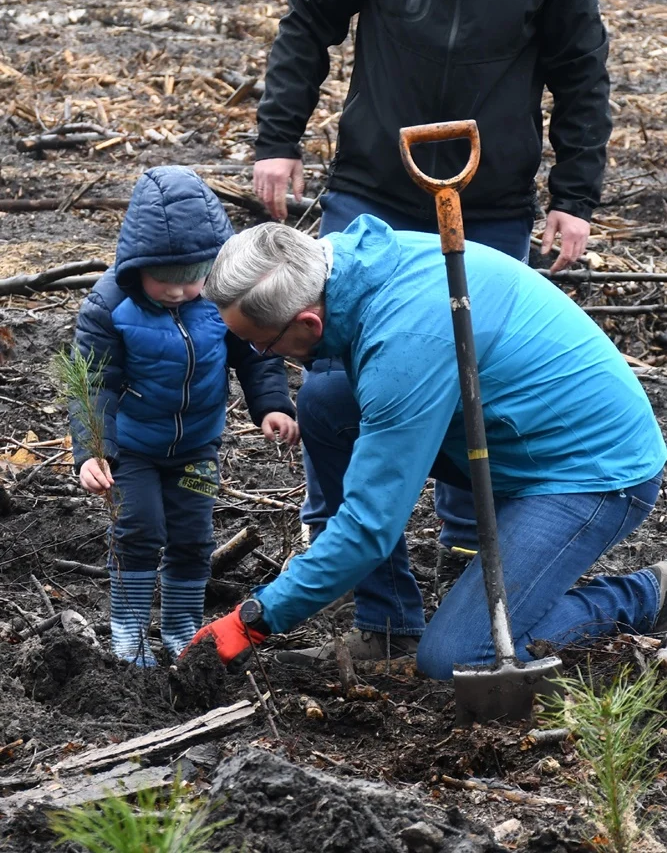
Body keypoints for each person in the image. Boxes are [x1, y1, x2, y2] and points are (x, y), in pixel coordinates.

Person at [251, 0, 612, 584]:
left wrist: (573, 196)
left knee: (472, 379)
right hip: (373, 190)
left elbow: (579, 67)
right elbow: (308, 18)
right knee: (330, 385)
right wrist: (277, 140)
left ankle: (465, 543)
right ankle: (344, 547)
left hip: (489, 201)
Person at [186, 219, 665, 679]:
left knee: (460, 658)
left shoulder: (403, 347)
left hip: (592, 471)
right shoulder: (343, 265)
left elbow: (369, 525)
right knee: (326, 400)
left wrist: (255, 619)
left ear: (309, 323)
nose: (263, 357)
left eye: (262, 346)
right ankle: (387, 625)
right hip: (508, 432)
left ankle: (648, 593)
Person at [69, 167, 298, 667]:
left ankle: (179, 627)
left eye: (193, 278)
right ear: (136, 266)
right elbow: (93, 383)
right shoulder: (110, 306)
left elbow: (257, 352)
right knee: (140, 528)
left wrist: (273, 406)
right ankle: (128, 632)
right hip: (131, 451)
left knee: (194, 534)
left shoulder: (221, 297)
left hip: (197, 447)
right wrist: (90, 451)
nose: (179, 292)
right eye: (165, 281)